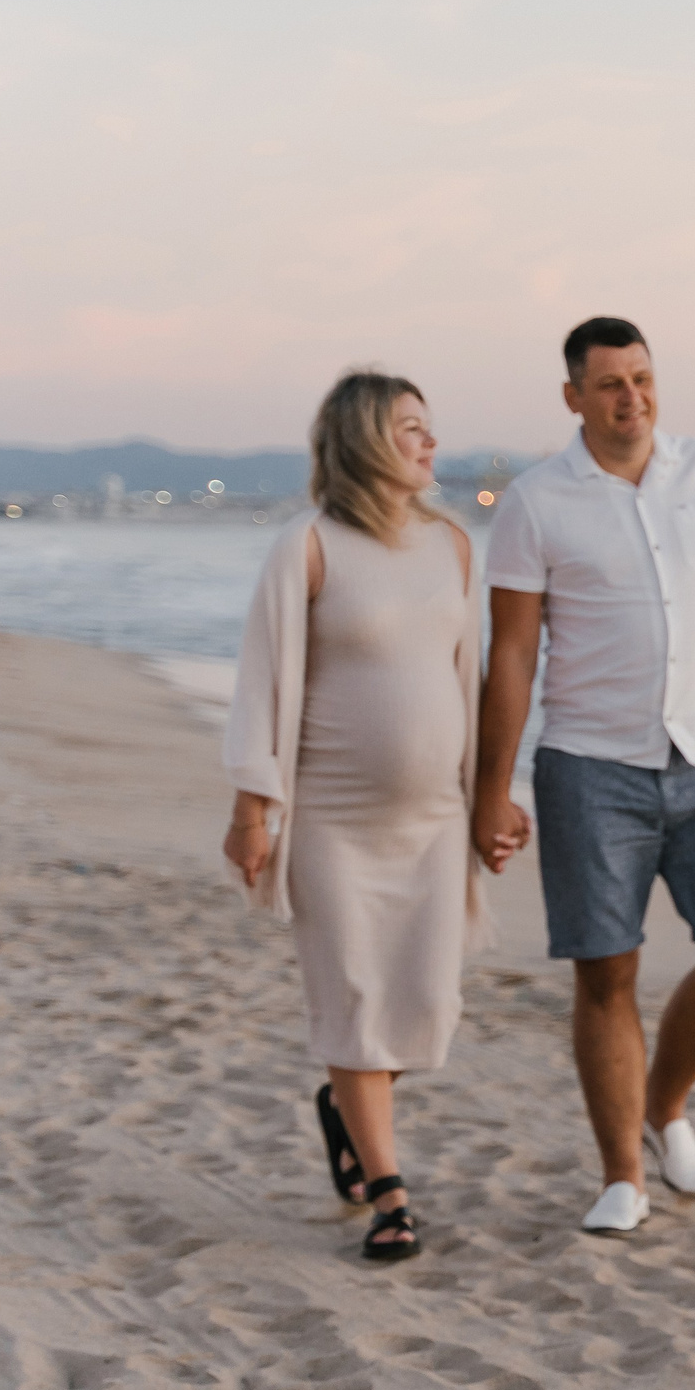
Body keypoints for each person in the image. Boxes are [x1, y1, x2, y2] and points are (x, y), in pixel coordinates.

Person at [474, 316, 695, 1236]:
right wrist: (492, 791)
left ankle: (665, 1106)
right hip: (588, 767)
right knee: (606, 974)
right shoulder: (535, 502)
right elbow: (513, 655)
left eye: (643, 378)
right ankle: (623, 1175)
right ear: (574, 397)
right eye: (609, 383)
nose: (631, 398)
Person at [222, 370, 483, 1263]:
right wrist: (254, 806)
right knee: (356, 996)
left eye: (429, 426)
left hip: (435, 822)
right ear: (368, 439)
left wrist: (494, 797)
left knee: (426, 1000)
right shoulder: (310, 544)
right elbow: (261, 680)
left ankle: (346, 1096)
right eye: (412, 428)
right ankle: (390, 1193)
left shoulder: (453, 545)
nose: (430, 443)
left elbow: (470, 684)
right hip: (332, 816)